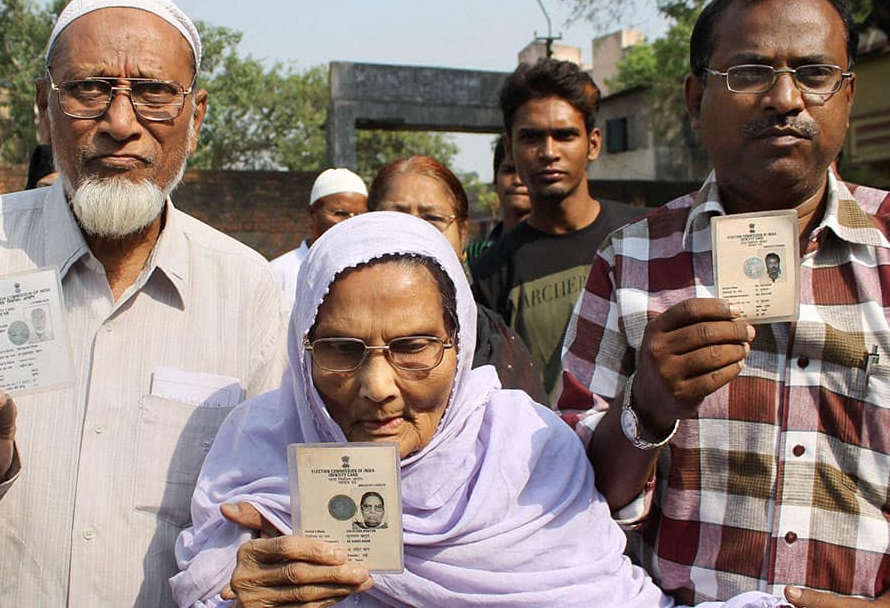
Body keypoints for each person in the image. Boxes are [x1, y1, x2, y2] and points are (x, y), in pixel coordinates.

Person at [0, 0, 287, 606]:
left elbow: (265, 512)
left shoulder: (245, 288)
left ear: (196, 116)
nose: (121, 123)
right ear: (44, 111)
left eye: (154, 93)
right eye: (89, 90)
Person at [170, 212, 785, 608]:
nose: (378, 386)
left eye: (413, 348)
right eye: (341, 350)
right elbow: (205, 589)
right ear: (302, 347)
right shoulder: (256, 448)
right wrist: (235, 596)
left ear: (460, 344)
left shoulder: (526, 449)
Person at [557, 0, 888, 605]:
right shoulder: (630, 261)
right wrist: (645, 409)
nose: (786, 99)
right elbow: (570, 497)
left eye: (814, 73)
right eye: (749, 72)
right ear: (694, 96)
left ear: (847, 95)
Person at [470, 59, 648, 402]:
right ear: (509, 148)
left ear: (593, 144)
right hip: (548, 453)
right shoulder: (490, 272)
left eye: (564, 135)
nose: (549, 152)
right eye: (531, 137)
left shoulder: (645, 236)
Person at [368, 155, 546, 403]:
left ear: (462, 235)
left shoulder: (498, 345)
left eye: (433, 218)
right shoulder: (332, 330)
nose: (415, 231)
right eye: (397, 217)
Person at [269, 167, 368, 305]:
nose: (351, 223)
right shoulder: (278, 273)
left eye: (360, 215)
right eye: (340, 213)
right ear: (312, 213)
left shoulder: (369, 272)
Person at [465, 139, 531, 263]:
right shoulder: (476, 256)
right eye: (508, 170)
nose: (517, 180)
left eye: (525, 170)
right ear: (495, 182)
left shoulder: (560, 249)